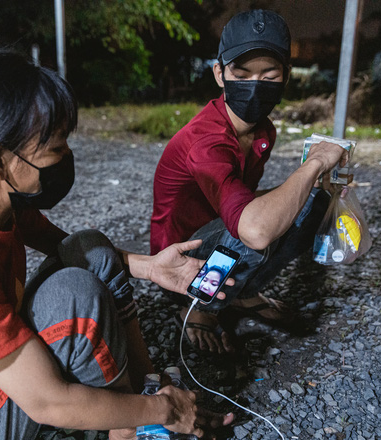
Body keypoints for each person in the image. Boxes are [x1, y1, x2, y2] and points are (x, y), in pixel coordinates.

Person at [0, 48, 233, 440]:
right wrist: (167, 410)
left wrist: (153, 267)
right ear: (1, 162)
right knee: (74, 297)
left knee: (89, 246)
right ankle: (136, 422)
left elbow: (83, 251)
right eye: (56, 148)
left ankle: (146, 387)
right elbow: (46, 400)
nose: (67, 157)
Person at [150, 10, 351, 353]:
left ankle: (242, 294)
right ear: (219, 74)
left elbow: (249, 202)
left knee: (312, 200)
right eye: (241, 74)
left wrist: (313, 185)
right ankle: (199, 305)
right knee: (255, 227)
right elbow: (253, 230)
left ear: (286, 75)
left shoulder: (263, 131)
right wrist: (316, 161)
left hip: (223, 229)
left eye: (269, 74)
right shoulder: (206, 140)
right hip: (179, 263)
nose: (255, 85)